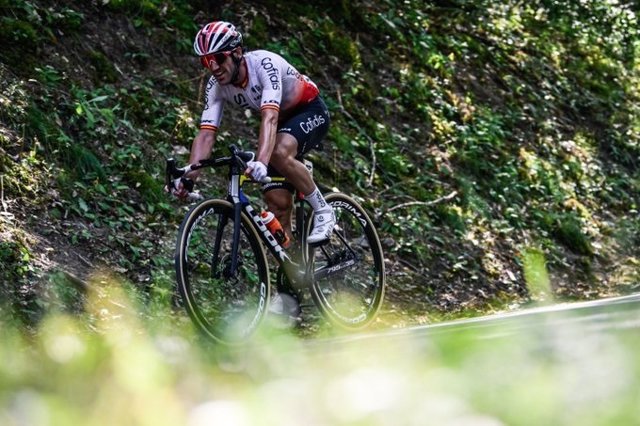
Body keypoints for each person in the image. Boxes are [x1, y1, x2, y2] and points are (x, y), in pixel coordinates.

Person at [173, 20, 335, 247]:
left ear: (237, 52)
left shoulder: (264, 65)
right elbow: (206, 134)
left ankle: (323, 210)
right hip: (281, 125)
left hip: (309, 110)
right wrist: (188, 176)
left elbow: (269, 117)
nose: (214, 67)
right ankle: (296, 272)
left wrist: (261, 160)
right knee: (276, 202)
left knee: (278, 152)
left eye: (218, 58)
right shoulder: (216, 86)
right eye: (206, 61)